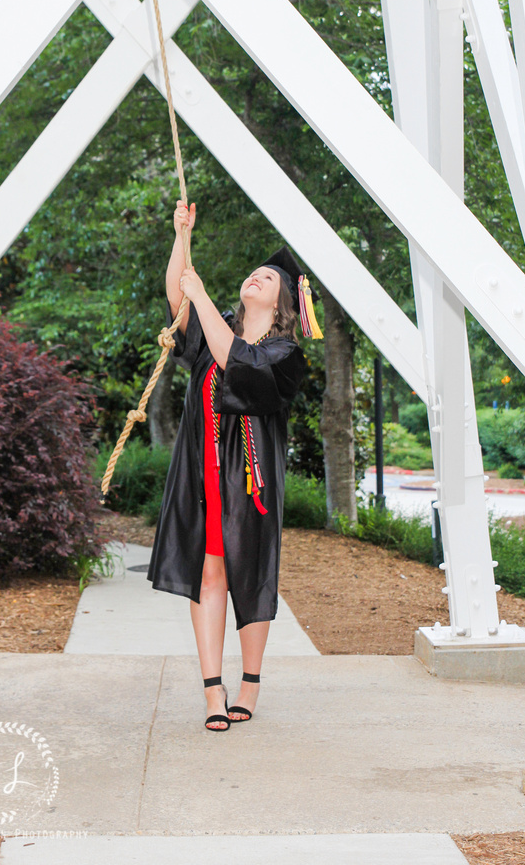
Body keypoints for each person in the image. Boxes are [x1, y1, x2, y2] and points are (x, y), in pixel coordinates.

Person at [146, 200, 322, 731]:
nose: (255, 276)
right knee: (208, 571)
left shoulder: (286, 354)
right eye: (254, 273)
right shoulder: (213, 322)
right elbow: (179, 298)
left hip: (249, 480)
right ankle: (211, 691)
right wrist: (182, 236)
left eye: (267, 277)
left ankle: (250, 682)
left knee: (249, 574)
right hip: (201, 472)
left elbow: (237, 366)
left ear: (284, 300)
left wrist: (200, 297)